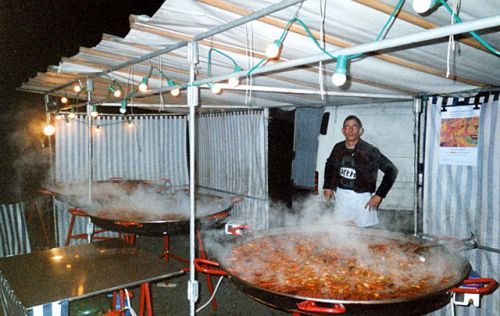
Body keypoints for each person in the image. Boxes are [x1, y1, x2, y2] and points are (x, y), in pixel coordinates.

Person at [323, 115, 398, 227]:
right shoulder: (338, 148)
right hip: (341, 196)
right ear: (343, 130)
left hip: (361, 198)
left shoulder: (370, 150)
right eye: (347, 127)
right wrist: (327, 186)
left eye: (354, 127)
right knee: (339, 229)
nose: (350, 130)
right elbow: (330, 165)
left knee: (362, 233)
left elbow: (391, 170)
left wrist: (379, 195)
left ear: (360, 131)